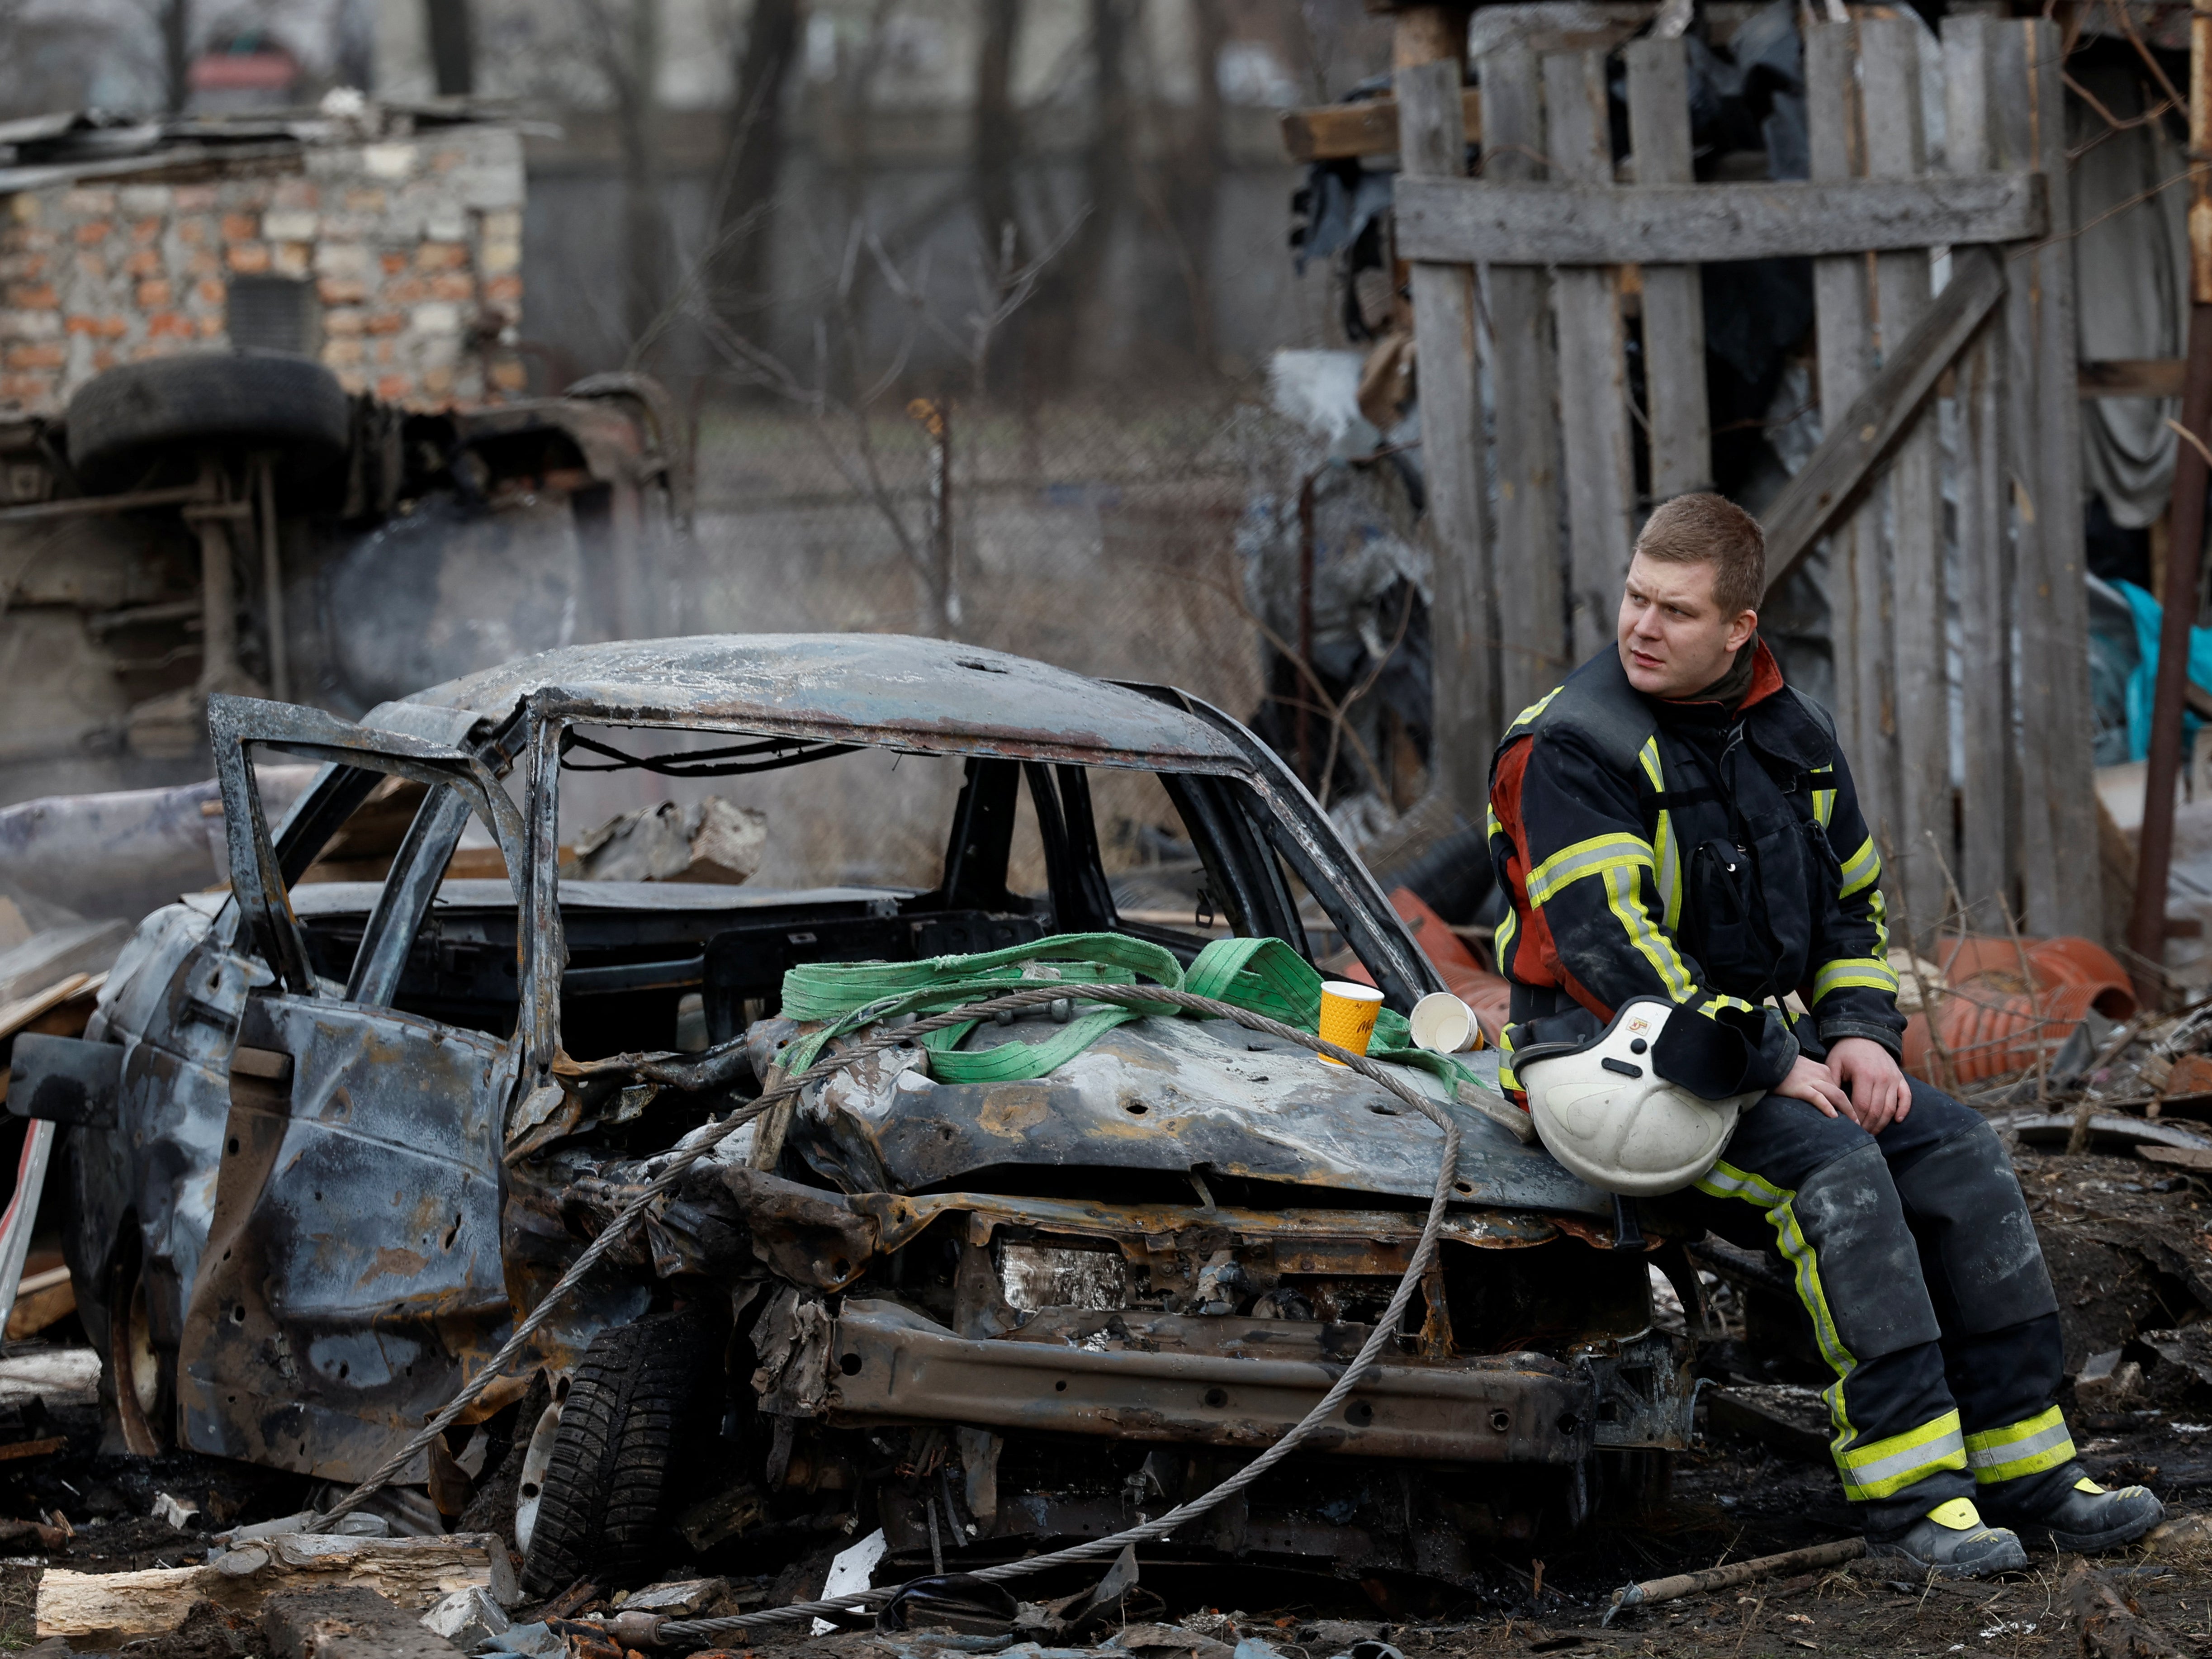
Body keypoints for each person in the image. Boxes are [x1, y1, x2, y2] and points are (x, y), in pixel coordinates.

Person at [1486, 493, 2162, 1577]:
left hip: (1762, 1054)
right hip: (1608, 1062)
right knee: (1836, 1173)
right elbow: (1610, 950)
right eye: (1634, 597)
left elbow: (1852, 913)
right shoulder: (1571, 747)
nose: (1640, 627)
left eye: (1675, 610)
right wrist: (1773, 1060)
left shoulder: (1792, 737)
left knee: (1959, 1152)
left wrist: (1860, 1034)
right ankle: (1912, 1507)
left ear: (1739, 630)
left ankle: (2031, 1469)